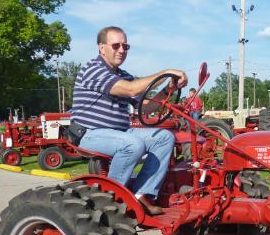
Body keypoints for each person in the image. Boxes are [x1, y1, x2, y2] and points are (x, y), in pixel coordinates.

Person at [71, 26, 187, 215]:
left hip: (118, 132)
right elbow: (131, 89)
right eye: (116, 45)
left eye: (126, 46)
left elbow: (146, 106)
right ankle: (110, 200)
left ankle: (142, 194)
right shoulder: (93, 69)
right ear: (102, 48)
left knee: (164, 137)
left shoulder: (123, 75)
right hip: (89, 132)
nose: (121, 50)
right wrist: (165, 72)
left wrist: (168, 89)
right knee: (132, 145)